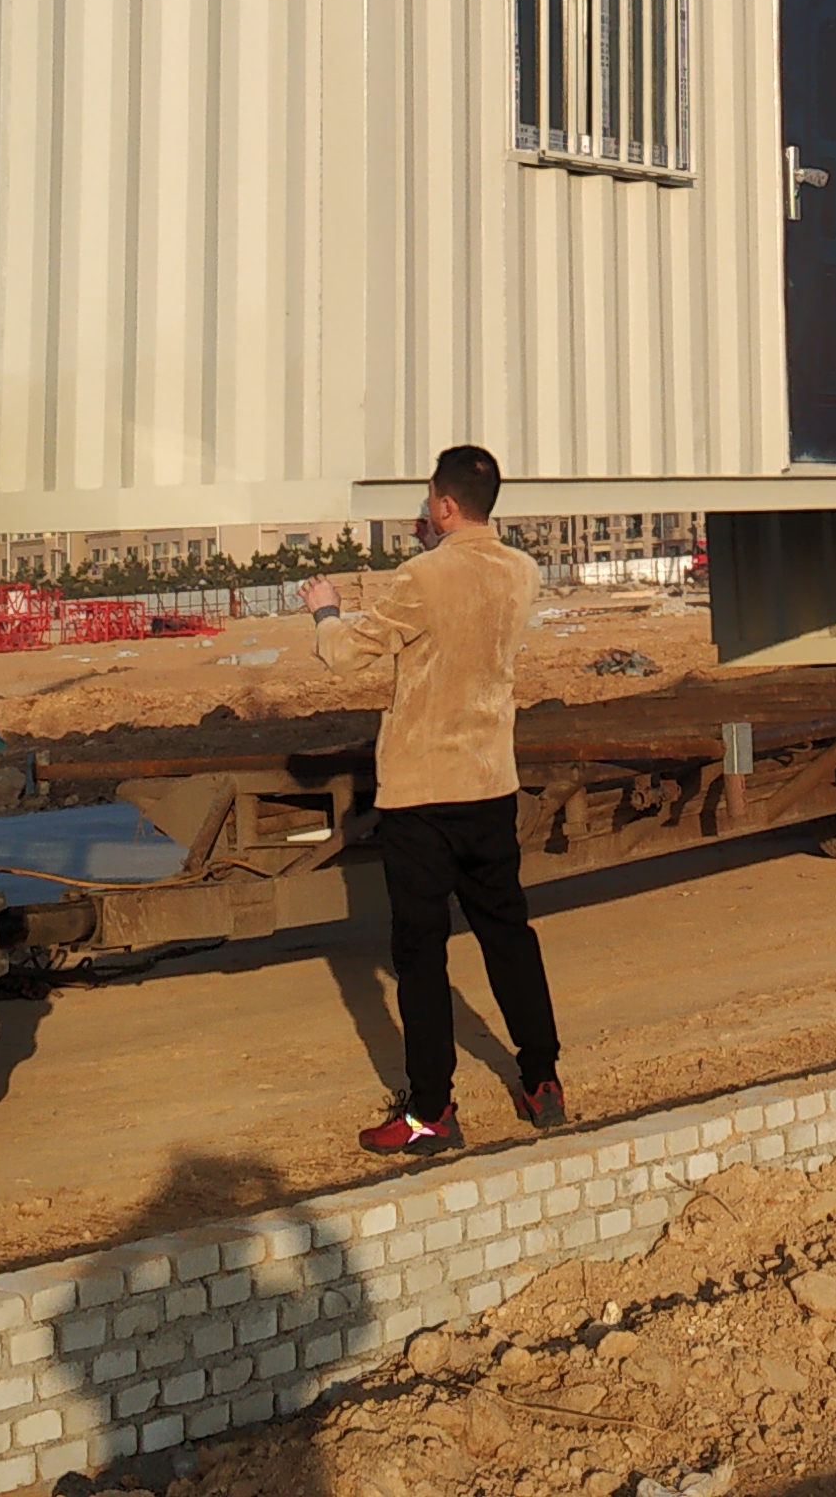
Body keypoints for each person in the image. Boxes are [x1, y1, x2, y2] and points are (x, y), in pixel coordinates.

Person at [301, 444, 565, 1152]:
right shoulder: (522, 571)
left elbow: (347, 653)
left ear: (443, 505)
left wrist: (325, 611)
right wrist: (439, 548)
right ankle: (541, 1080)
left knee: (421, 957)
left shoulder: (419, 576)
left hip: (422, 794)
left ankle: (430, 1112)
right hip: (489, 782)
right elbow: (465, 599)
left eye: (428, 502)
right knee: (508, 936)